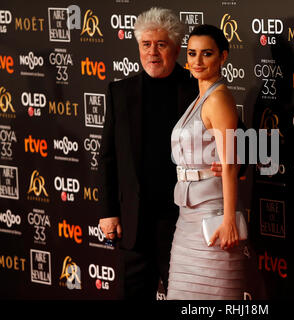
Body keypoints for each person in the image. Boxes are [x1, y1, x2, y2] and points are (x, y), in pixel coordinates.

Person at [98, 8, 225, 299]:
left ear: (177, 48)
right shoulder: (119, 91)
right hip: (134, 222)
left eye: (161, 44)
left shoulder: (198, 88)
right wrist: (108, 212)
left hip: (183, 220)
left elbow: (239, 135)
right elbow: (107, 157)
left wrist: (237, 162)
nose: (152, 52)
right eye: (146, 44)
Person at [167, 24, 247, 300]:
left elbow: (230, 164)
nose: (197, 61)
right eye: (192, 54)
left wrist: (229, 220)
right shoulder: (198, 99)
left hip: (213, 216)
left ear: (223, 57)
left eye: (207, 54)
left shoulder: (219, 99)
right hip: (187, 219)